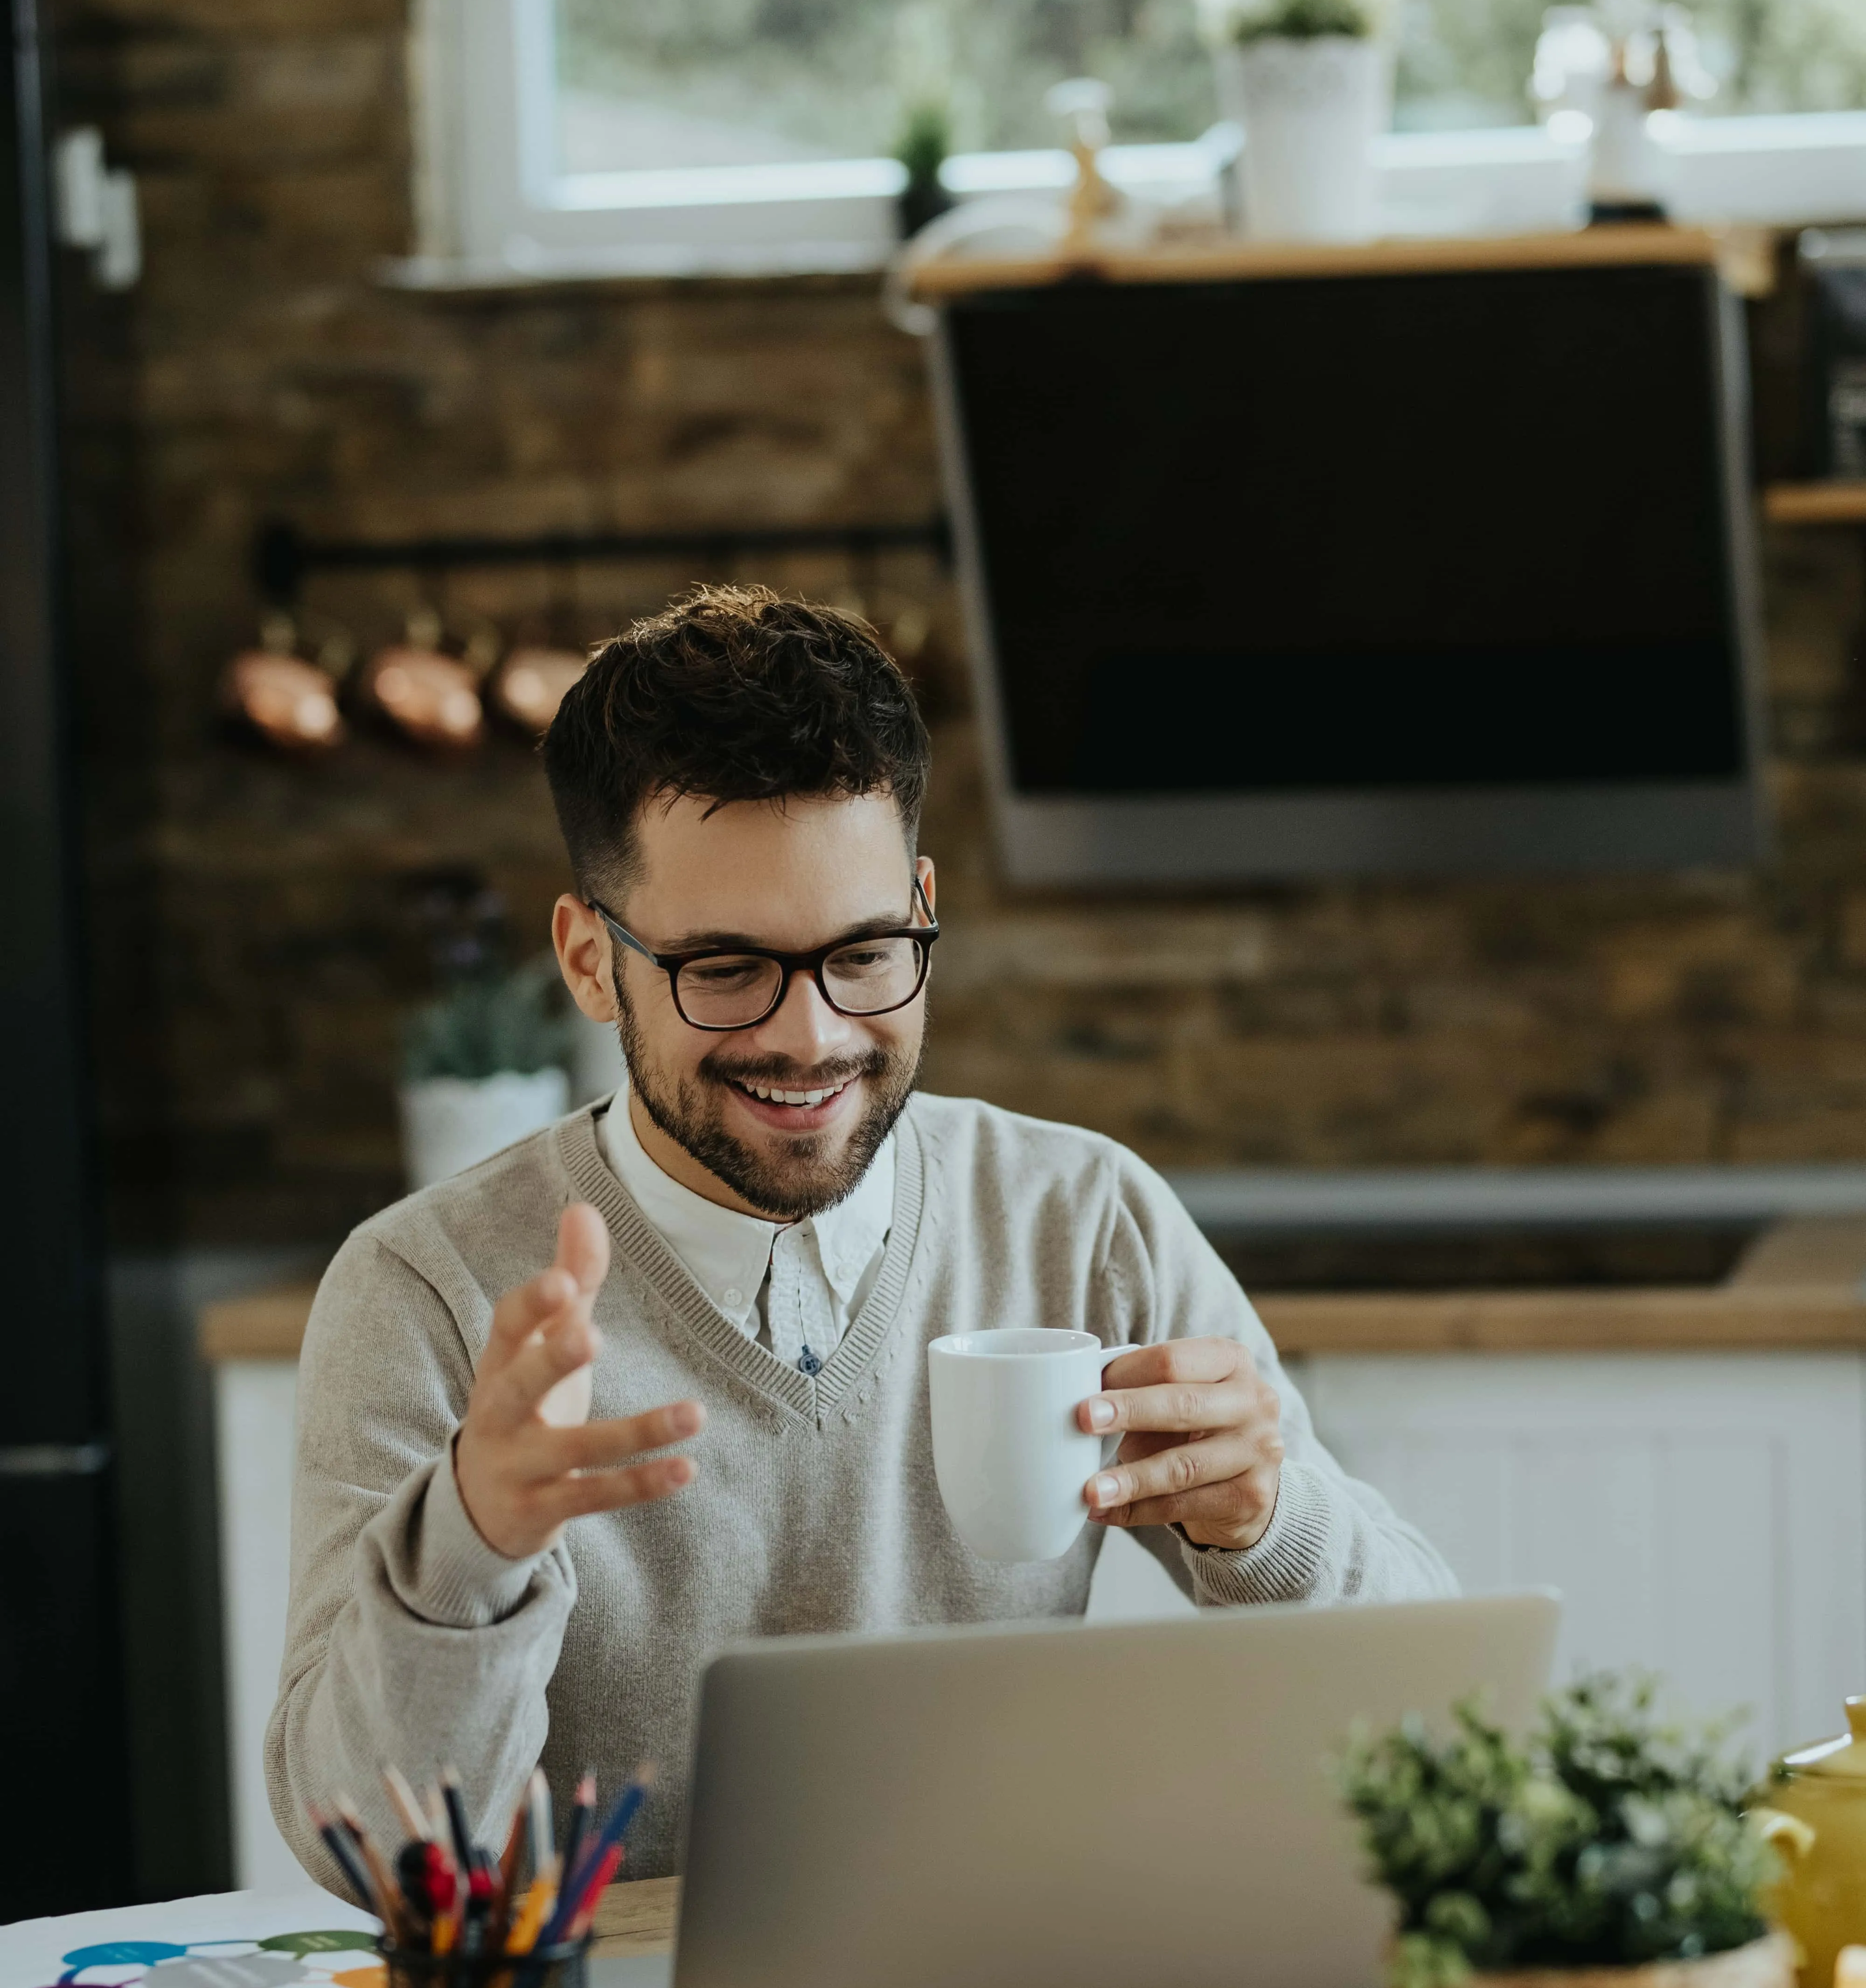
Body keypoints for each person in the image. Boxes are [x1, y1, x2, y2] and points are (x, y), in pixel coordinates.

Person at [268, 587, 1454, 1884]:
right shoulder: (426, 1292)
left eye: (867, 950)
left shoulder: (1078, 1218)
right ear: (590, 961)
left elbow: (1435, 1716)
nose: (813, 1036)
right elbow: (366, 1854)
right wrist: (469, 1550)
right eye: (724, 969)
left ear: (924, 903)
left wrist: (1271, 1522)